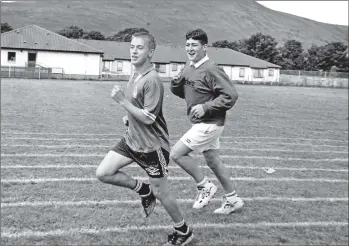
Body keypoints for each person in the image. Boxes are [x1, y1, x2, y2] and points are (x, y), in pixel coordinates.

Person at [96, 32, 193, 246]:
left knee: (162, 192)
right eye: (132, 47)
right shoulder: (135, 75)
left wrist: (122, 101)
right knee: (103, 173)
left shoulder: (153, 80)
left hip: (152, 147)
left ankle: (183, 230)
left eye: (139, 47)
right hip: (132, 141)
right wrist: (129, 117)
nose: (133, 51)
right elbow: (139, 110)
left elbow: (149, 118)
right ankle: (143, 189)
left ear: (150, 52)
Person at [170, 29, 244, 214]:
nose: (189, 48)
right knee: (213, 161)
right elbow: (182, 93)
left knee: (177, 154)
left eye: (194, 45)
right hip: (201, 123)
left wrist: (206, 107)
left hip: (210, 122)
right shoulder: (189, 66)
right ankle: (232, 199)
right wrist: (175, 83)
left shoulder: (211, 68)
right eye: (187, 45)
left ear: (204, 47)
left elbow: (231, 95)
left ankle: (205, 186)